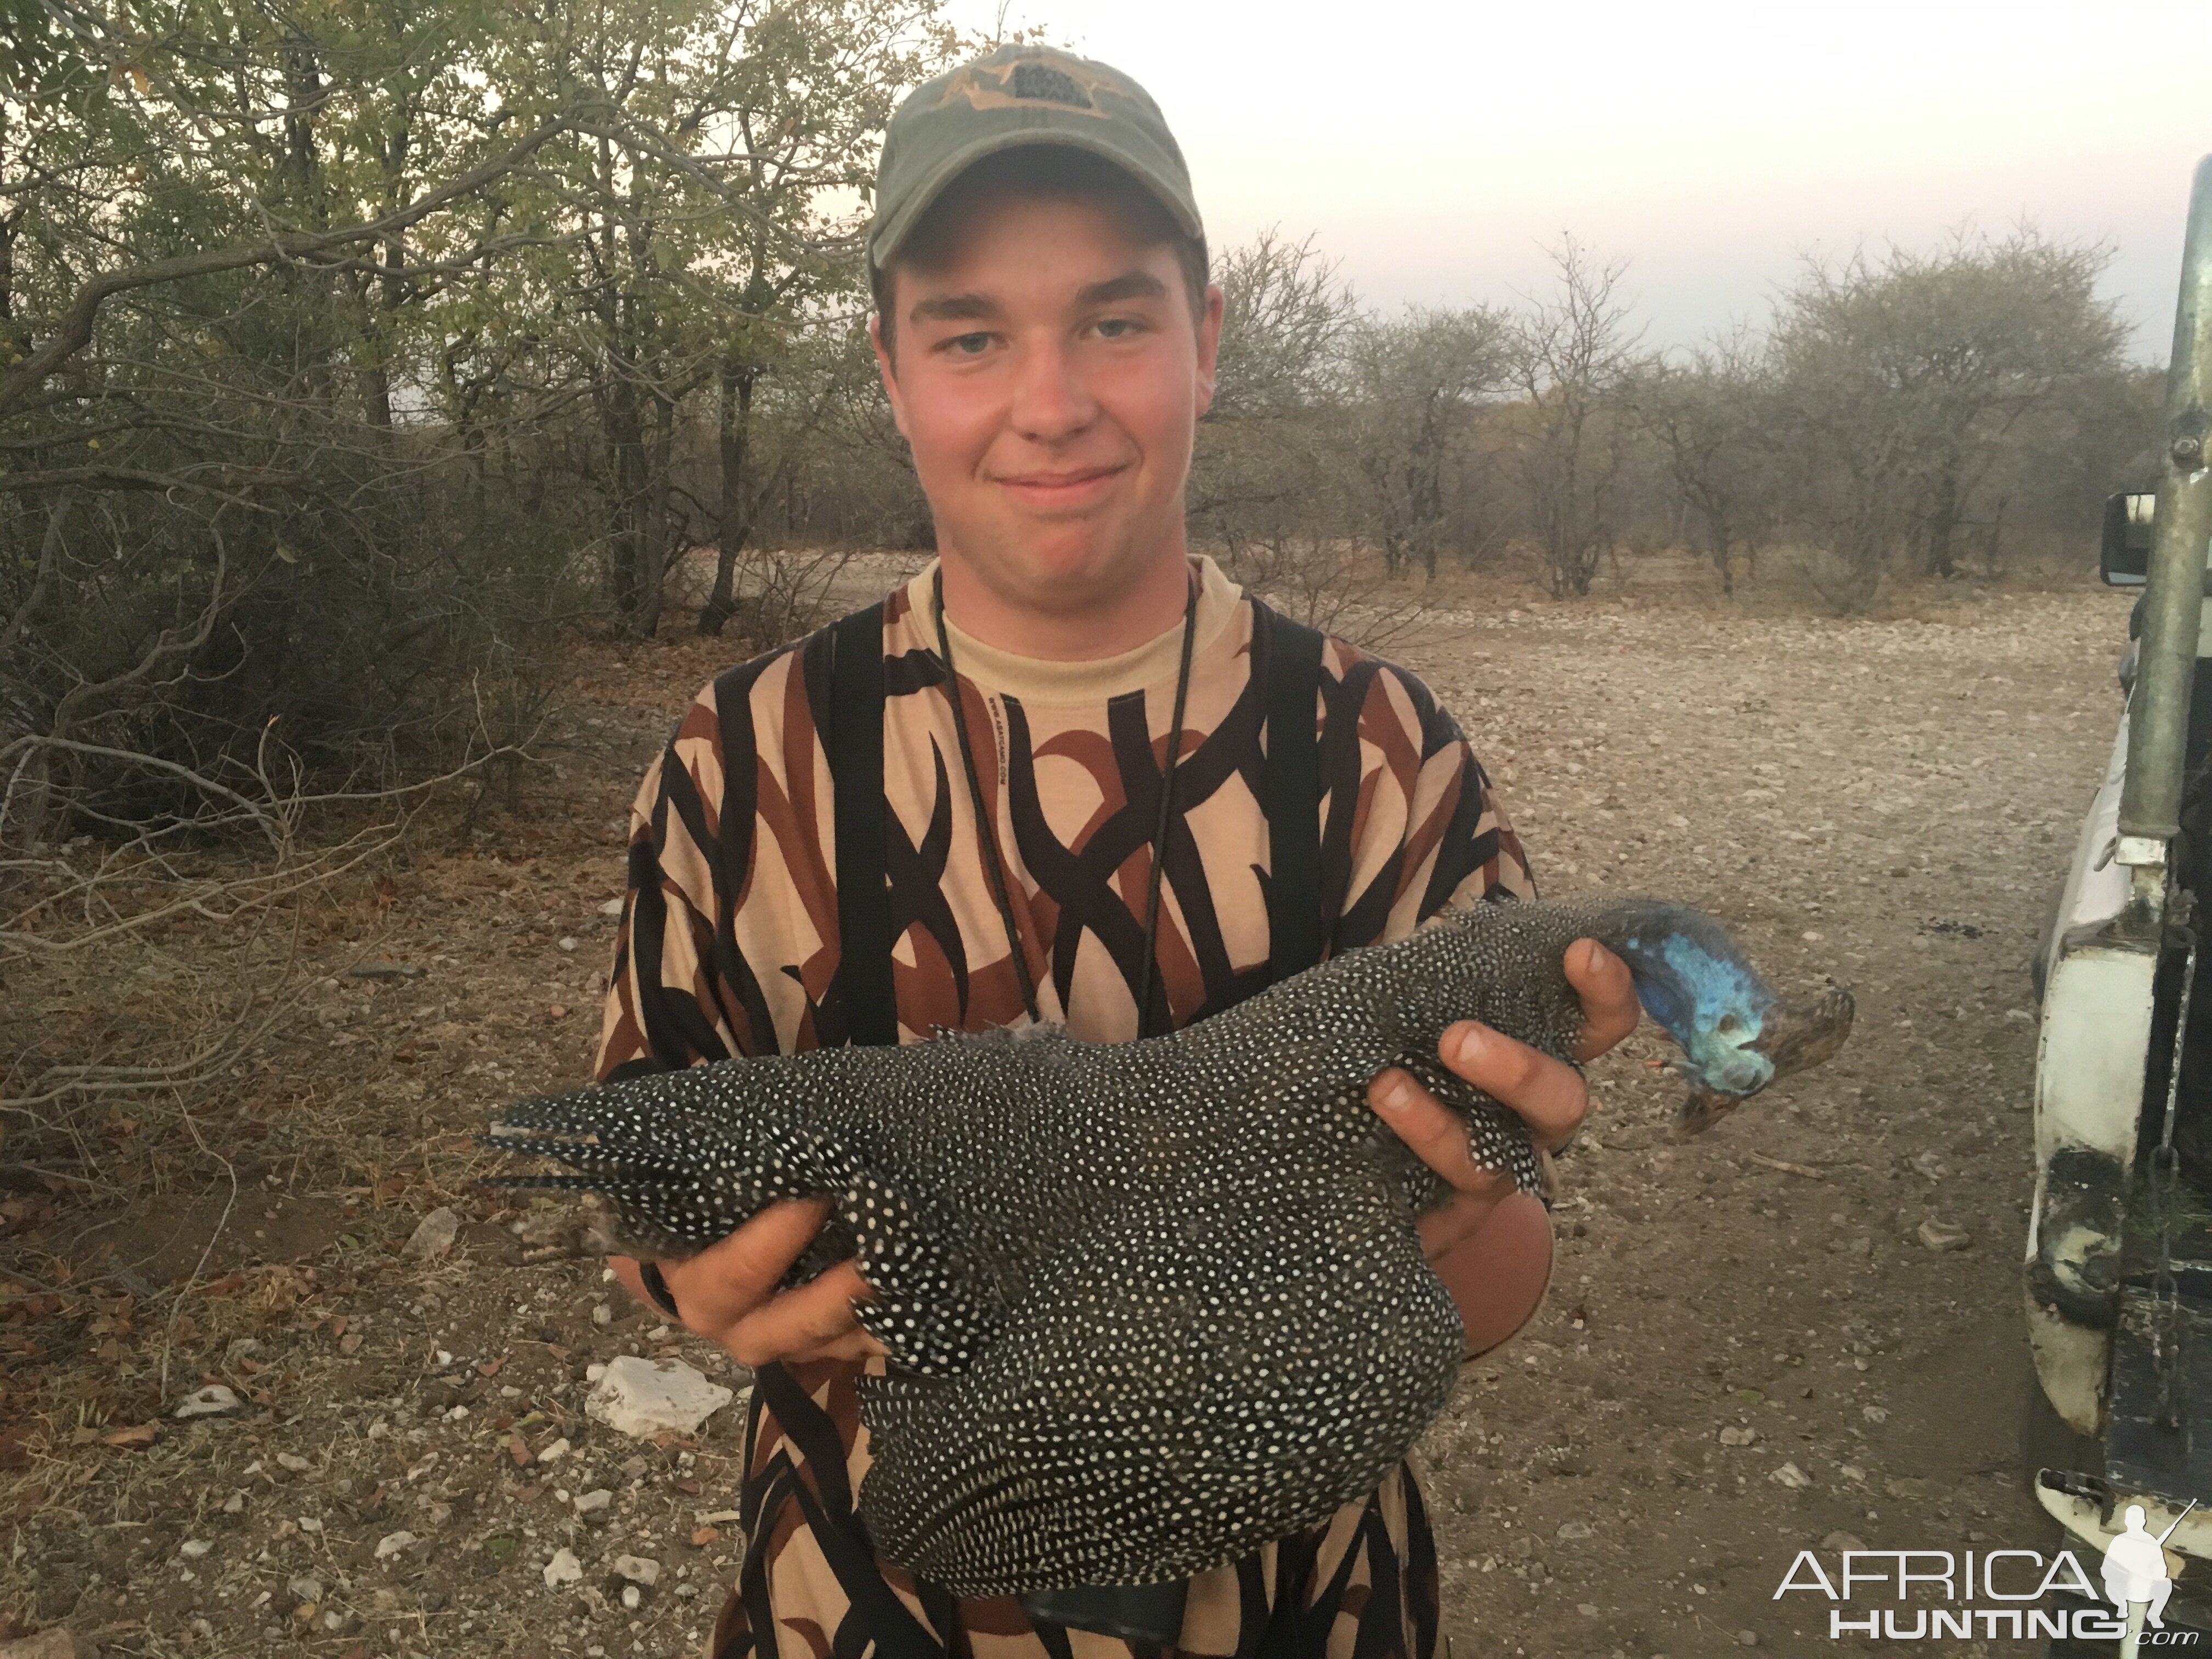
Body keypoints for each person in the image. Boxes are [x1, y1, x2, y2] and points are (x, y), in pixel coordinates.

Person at [591, 42, 1639, 1659]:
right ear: (890, 369)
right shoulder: (744, 762)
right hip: (863, 1610)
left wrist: (1456, 1208)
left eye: (1115, 320)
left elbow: (1497, 1289)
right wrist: (710, 1288)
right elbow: (645, 1192)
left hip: (1303, 1613)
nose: (1053, 402)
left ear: (1206, 340)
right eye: (971, 336)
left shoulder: (1377, 755)